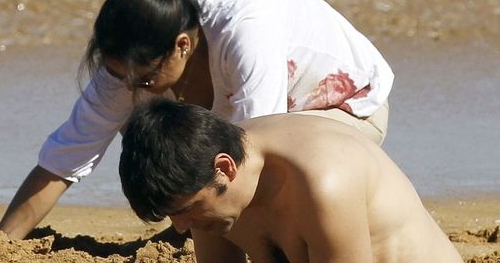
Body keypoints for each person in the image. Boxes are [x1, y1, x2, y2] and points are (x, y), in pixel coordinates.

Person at [0, 0, 394, 239]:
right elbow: (65, 158)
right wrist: (2, 243)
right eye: (121, 76)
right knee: (142, 123)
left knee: (273, 194)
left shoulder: (244, 31)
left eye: (146, 78)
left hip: (341, 111)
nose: (135, 87)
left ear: (182, 46)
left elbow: (257, 153)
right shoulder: (137, 54)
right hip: (249, 125)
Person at [119, 99, 461, 263]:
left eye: (186, 210)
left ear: (225, 167)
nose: (180, 228)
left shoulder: (323, 182)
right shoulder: (204, 185)